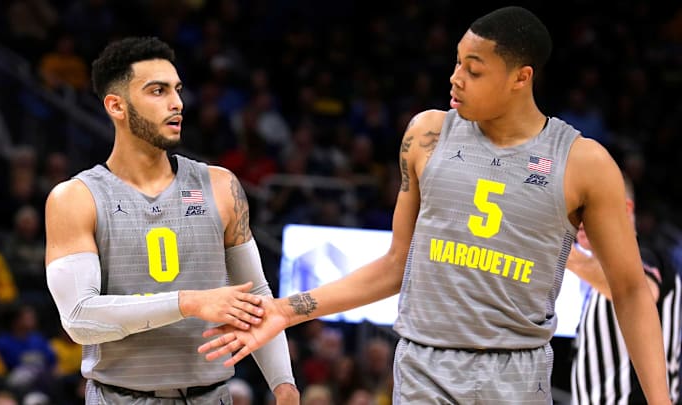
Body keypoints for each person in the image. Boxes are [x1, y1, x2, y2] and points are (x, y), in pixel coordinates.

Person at [198, 6, 671, 404]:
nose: (456, 78)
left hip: (515, 375)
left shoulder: (583, 162)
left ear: (520, 78)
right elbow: (394, 265)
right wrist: (286, 310)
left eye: (474, 68)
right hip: (423, 366)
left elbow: (629, 290)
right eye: (457, 62)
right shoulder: (426, 134)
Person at [43, 36, 299, 404]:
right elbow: (80, 319)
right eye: (157, 91)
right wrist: (187, 303)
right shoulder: (76, 197)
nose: (177, 103)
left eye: (177, 90)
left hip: (213, 396)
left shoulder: (221, 185)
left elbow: (256, 296)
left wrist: (283, 383)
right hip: (121, 396)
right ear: (116, 105)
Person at [568, 176, 682, 404]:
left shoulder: (648, 256)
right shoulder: (599, 272)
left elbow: (641, 292)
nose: (580, 217)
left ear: (626, 208)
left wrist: (564, 256)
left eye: (588, 205)